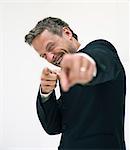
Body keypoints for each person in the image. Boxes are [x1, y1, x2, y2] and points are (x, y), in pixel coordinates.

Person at [25, 17, 126, 150]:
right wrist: (46, 92)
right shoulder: (65, 77)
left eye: (51, 47)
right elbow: (53, 127)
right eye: (44, 55)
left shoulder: (101, 49)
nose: (50, 58)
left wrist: (85, 63)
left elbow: (101, 60)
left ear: (67, 33)